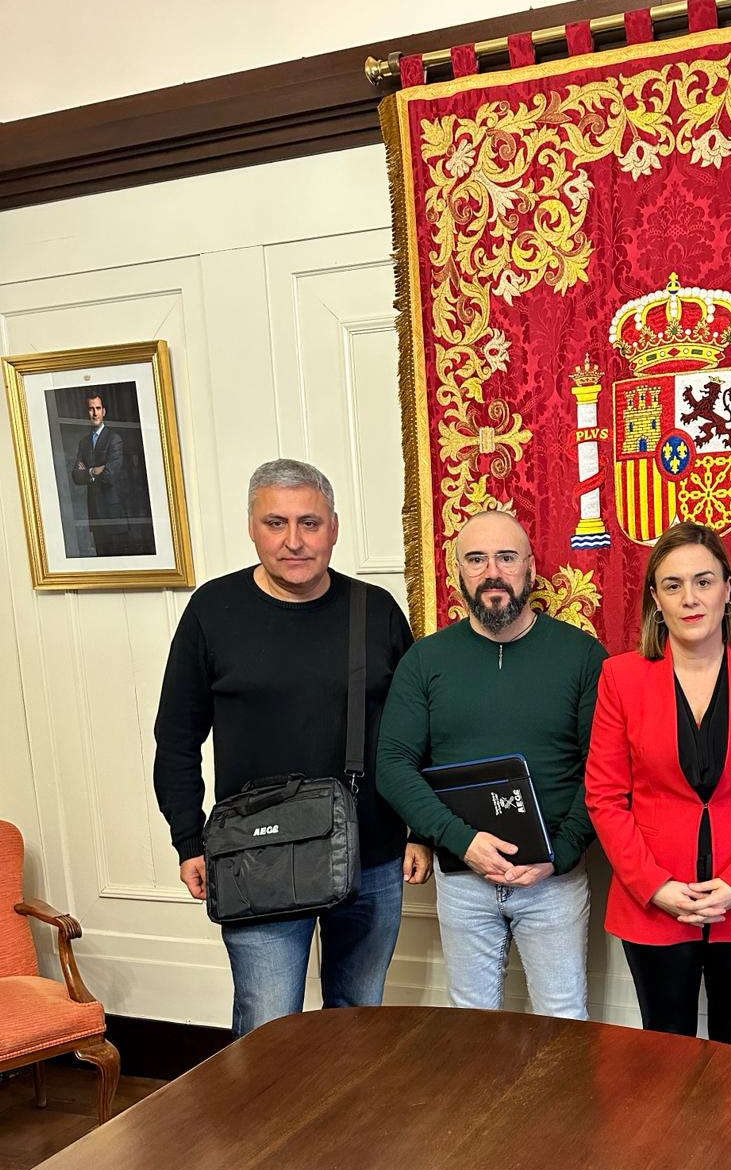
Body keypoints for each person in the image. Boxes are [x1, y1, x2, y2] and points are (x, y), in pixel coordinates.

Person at [153, 458, 429, 1036]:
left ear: (334, 526)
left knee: (357, 1020)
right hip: (256, 857)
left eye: (310, 522)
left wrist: (422, 832)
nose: (294, 541)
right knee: (267, 1026)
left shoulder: (374, 610)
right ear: (252, 528)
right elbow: (176, 737)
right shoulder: (212, 611)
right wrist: (187, 838)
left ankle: (350, 1130)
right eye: (276, 523)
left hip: (371, 855)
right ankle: (261, 1131)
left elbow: (418, 732)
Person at [586, 522, 731, 1050]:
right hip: (655, 901)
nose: (690, 598)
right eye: (672, 585)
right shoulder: (621, 678)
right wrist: (655, 886)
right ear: (655, 600)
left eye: (704, 582)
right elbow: (603, 796)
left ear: (728, 590)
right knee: (665, 1049)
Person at [376, 508, 606, 1019]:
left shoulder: (582, 655)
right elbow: (393, 763)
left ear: (530, 567)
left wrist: (561, 854)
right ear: (457, 571)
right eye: (476, 559)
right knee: (470, 1025)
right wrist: (459, 841)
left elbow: (605, 768)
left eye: (506, 557)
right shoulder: (426, 660)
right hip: (462, 877)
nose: (492, 572)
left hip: (553, 878)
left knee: (563, 1019)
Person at [70, 392, 127, 555]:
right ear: (86, 412)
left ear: (104, 411)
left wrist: (86, 472)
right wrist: (94, 470)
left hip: (113, 516)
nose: (94, 413)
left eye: (98, 408)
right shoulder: (84, 442)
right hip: (95, 514)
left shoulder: (114, 439)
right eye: (91, 409)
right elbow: (76, 476)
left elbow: (109, 476)